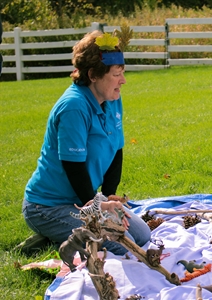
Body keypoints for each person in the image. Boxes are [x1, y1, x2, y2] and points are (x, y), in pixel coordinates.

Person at [20, 30, 150, 255]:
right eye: (116, 74)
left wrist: (109, 194)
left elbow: (116, 148)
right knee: (121, 244)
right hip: (48, 206)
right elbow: (74, 166)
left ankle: (63, 233)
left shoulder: (112, 98)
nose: (123, 80)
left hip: (83, 201)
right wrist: (98, 207)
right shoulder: (74, 107)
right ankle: (52, 232)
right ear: (93, 75)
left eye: (123, 72)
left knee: (142, 235)